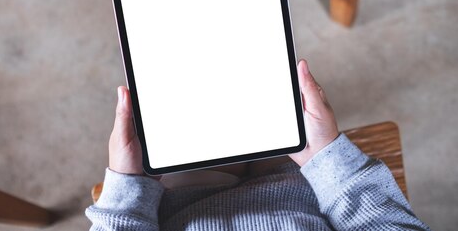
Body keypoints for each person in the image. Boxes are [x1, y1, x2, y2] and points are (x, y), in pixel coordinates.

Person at [86, 60, 431, 230]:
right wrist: (329, 154)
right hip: (303, 194)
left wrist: (126, 189)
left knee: (189, 81)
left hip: (187, 203)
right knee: (264, 78)